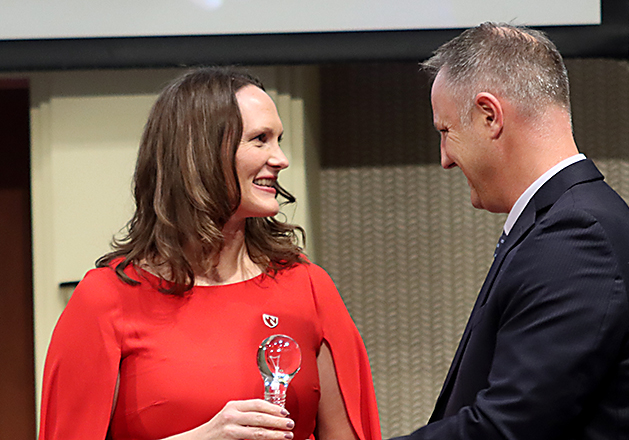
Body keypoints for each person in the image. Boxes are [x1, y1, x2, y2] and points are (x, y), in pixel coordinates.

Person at [39, 66, 381, 440]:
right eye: (260, 140)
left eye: (278, 140)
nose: (280, 158)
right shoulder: (106, 299)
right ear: (200, 152)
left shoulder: (308, 287)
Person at [392, 23, 629, 440]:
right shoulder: (569, 220)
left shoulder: (578, 237)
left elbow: (507, 427)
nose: (445, 159)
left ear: (490, 116)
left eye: (445, 131)